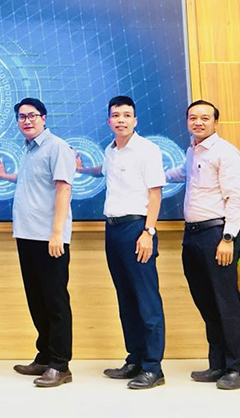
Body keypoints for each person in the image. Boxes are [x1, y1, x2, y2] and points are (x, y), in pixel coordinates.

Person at [76, 96, 167, 389]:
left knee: (146, 300)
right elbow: (104, 172)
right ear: (109, 121)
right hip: (113, 229)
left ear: (135, 120)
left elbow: (155, 194)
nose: (121, 120)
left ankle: (153, 368)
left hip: (137, 228)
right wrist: (82, 169)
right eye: (116, 115)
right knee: (126, 298)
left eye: (127, 115)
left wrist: (148, 232)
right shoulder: (111, 151)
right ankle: (135, 359)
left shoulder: (147, 150)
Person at [0, 97, 75, 387]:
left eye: (32, 115)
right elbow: (34, 181)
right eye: (22, 117)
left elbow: (63, 189)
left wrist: (57, 233)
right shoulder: (29, 149)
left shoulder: (57, 147)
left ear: (43, 118)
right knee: (37, 300)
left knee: (55, 302)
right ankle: (45, 357)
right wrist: (5, 176)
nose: (27, 121)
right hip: (26, 235)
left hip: (48, 237)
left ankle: (60, 366)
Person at [165, 100, 240, 390]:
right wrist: (150, 176)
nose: (198, 122)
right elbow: (179, 174)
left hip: (217, 235)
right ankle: (218, 365)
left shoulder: (225, 152)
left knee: (226, 303)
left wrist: (228, 238)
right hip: (192, 235)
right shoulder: (192, 151)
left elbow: (236, 198)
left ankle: (237, 369)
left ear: (215, 122)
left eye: (204, 118)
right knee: (206, 303)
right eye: (193, 117)